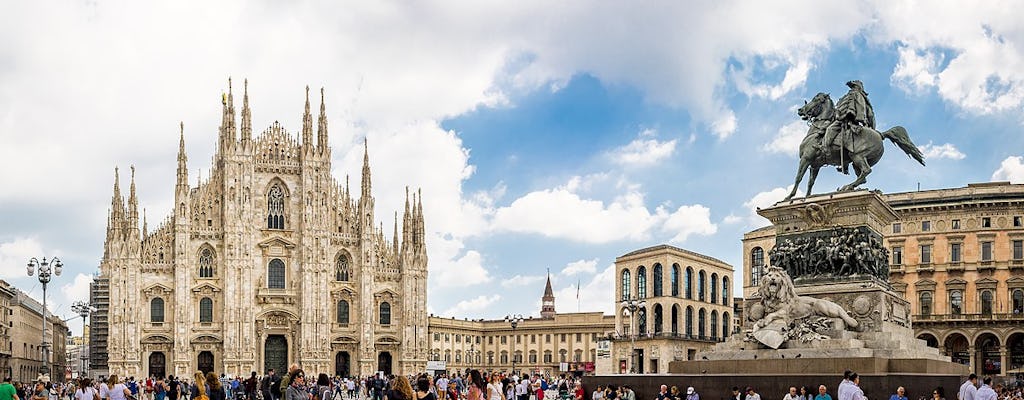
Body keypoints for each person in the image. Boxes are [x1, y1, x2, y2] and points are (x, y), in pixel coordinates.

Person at [821, 80, 875, 173]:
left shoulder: (856, 95)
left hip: (847, 120)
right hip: (842, 119)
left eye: (854, 86)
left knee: (830, 129)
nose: (852, 89)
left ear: (858, 87)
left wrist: (847, 116)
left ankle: (826, 149)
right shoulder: (849, 96)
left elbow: (860, 110)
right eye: (852, 87)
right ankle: (844, 164)